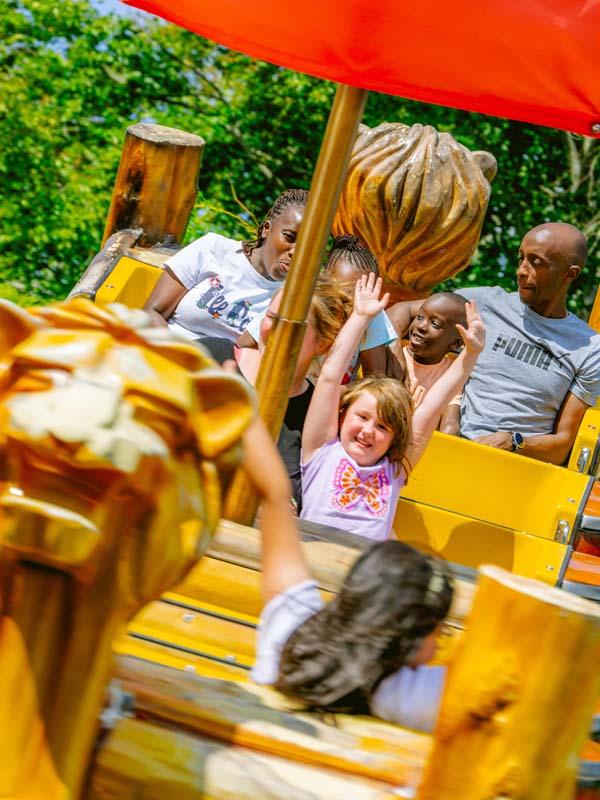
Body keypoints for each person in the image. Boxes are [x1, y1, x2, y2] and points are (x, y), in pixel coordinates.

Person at [238, 413, 453, 731]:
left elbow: (275, 496)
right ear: (408, 634)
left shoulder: (294, 636)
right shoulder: (410, 695)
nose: (437, 648)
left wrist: (244, 416)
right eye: (438, 632)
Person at [387, 222, 600, 464]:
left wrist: (513, 442)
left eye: (536, 262)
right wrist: (394, 354)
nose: (521, 270)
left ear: (570, 273)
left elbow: (562, 445)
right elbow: (402, 311)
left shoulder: (589, 348)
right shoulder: (482, 304)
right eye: (521, 259)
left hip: (517, 467)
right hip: (448, 447)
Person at [300, 274, 485, 540]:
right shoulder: (320, 449)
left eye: (383, 426)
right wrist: (360, 317)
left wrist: (471, 354)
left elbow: (432, 407)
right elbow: (330, 375)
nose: (367, 430)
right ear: (341, 416)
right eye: (362, 417)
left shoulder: (395, 470)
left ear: (396, 438)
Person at [199, 276, 353, 508]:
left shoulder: (317, 416)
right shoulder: (207, 356)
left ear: (322, 343)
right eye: (272, 317)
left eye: (294, 327)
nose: (278, 331)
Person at [143, 189, 309, 341]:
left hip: (221, 371)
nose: (296, 252)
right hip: (164, 352)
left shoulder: (290, 299)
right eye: (289, 237)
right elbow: (153, 311)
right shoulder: (214, 249)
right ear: (267, 229)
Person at [388, 292, 468, 435]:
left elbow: (450, 421)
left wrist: (447, 436)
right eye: (419, 317)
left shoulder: (451, 373)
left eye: (435, 324)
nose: (421, 326)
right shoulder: (393, 356)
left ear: (455, 343)